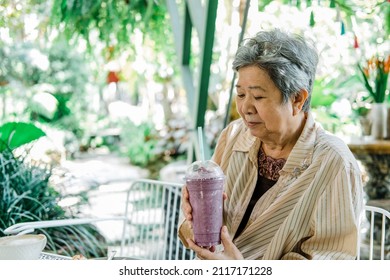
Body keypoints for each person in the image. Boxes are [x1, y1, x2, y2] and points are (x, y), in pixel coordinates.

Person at [178, 28, 364, 260]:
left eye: (258, 96)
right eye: (241, 94)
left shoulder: (333, 163)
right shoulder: (234, 136)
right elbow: (191, 231)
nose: (245, 108)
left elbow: (333, 264)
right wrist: (194, 220)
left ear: (297, 98)